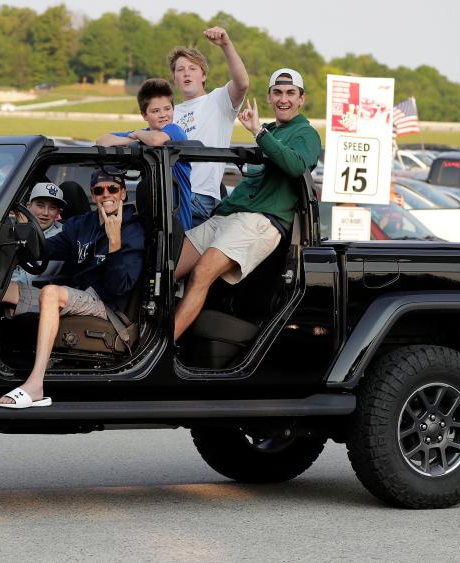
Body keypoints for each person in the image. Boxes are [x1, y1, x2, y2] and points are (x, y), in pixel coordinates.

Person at [173, 68, 321, 342]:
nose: (283, 99)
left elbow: (296, 165)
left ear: (302, 99)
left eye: (290, 93)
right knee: (166, 266)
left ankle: (160, 349)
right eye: (277, 93)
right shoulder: (272, 132)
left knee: (202, 272)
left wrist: (258, 131)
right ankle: (134, 339)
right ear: (269, 97)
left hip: (261, 221)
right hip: (229, 216)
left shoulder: (306, 134)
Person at [0, 169, 145, 408]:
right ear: (93, 195)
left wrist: (114, 242)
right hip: (77, 293)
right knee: (2, 289)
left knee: (51, 292)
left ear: (123, 193)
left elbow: (119, 288)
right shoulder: (81, 225)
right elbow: (43, 249)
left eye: (113, 189)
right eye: (99, 190)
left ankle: (35, 385)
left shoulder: (133, 230)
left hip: (106, 304)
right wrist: (18, 234)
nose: (106, 194)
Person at [169, 26, 250, 228]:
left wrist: (226, 45)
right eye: (180, 69)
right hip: (169, 194)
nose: (186, 73)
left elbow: (242, 84)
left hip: (199, 197)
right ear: (175, 78)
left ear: (204, 76)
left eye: (192, 68)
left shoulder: (218, 101)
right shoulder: (168, 112)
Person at [95, 78, 194, 230]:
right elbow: (102, 140)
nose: (163, 115)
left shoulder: (174, 130)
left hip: (178, 220)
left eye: (167, 109)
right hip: (153, 218)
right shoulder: (141, 134)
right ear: (144, 115)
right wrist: (135, 136)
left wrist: (134, 136)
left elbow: (155, 140)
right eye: (155, 111)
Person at [11, 182, 66, 285]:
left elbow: (25, 281)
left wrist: (25, 233)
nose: (45, 213)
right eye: (40, 206)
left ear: (58, 212)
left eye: (52, 208)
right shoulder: (10, 226)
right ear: (28, 206)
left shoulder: (63, 237)